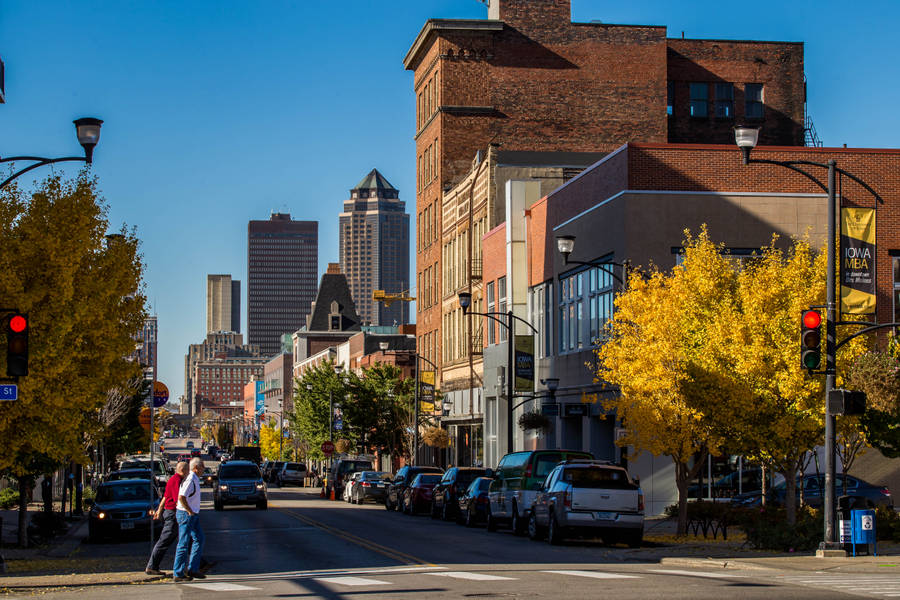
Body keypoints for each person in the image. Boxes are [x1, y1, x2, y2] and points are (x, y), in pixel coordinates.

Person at [146, 461, 187, 576]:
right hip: (173, 513)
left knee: (186, 538)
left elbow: (165, 496)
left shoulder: (173, 479)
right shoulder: (177, 481)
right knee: (165, 540)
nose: (189, 473)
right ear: (183, 470)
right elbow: (177, 499)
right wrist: (188, 510)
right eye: (187, 470)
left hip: (171, 512)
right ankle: (152, 566)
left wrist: (159, 509)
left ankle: (198, 564)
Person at [173, 457, 205, 582]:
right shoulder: (191, 479)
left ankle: (193, 568)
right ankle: (178, 572)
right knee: (183, 543)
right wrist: (189, 511)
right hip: (186, 515)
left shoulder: (195, 479)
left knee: (199, 538)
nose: (203, 469)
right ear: (196, 468)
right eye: (202, 466)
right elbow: (181, 497)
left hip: (193, 514)